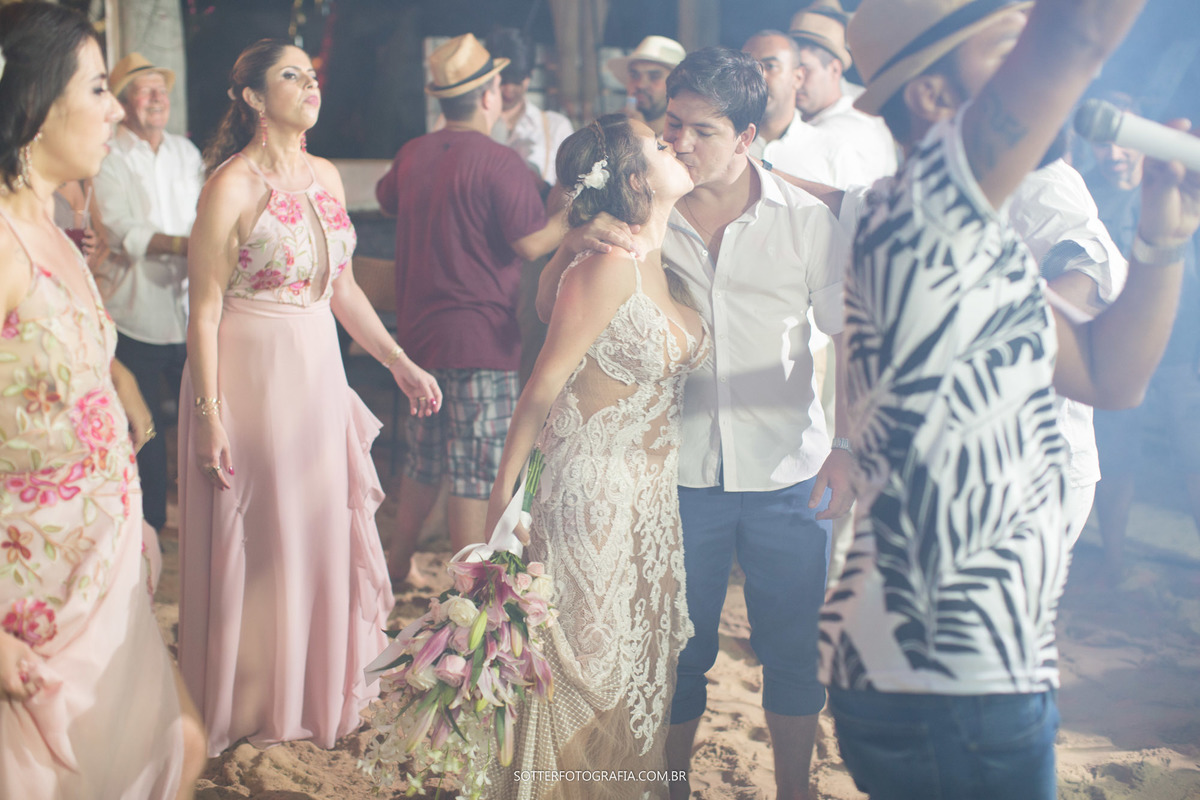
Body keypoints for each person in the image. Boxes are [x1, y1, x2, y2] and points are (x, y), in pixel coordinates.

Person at [818, 2, 1198, 798]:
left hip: (973, 666)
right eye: (1007, 48)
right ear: (930, 98)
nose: (1047, 73)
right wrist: (1066, 41)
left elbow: (1107, 375)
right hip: (946, 677)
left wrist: (1166, 231)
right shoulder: (918, 215)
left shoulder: (974, 244)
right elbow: (1081, 32)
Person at [538, 48, 854, 800]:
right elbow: (556, 310)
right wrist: (573, 247)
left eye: (703, 130)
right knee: (677, 652)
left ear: (748, 138)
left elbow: (851, 339)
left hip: (790, 471)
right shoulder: (638, 217)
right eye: (671, 124)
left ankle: (794, 790)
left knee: (794, 650)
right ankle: (671, 789)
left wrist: (844, 447)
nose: (679, 142)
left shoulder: (806, 221)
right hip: (673, 475)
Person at [178, 38, 441, 757]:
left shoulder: (323, 174)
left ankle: (316, 690)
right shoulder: (228, 186)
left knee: (321, 523)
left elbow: (343, 288)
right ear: (255, 99)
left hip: (320, 368)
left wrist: (397, 360)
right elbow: (202, 311)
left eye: (313, 75)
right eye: (291, 76)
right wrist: (209, 417)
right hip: (249, 371)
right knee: (266, 535)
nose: (310, 86)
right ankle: (256, 699)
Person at [0, 4, 206, 797]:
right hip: (32, 595)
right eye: (97, 88)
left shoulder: (56, 224)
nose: (116, 107)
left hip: (99, 567)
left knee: (180, 749)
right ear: (36, 104)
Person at [485, 113, 705, 799]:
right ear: (636, 178)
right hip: (593, 496)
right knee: (591, 673)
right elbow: (543, 387)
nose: (677, 147)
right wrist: (503, 497)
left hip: (651, 500)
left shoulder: (661, 258)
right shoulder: (606, 267)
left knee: (641, 671)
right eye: (662, 144)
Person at [376, 34, 567, 585]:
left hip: (417, 334)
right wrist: (574, 216)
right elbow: (532, 244)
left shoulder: (413, 152)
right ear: (490, 96)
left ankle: (396, 561)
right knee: (476, 466)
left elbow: (388, 199)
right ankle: (469, 589)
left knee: (424, 457)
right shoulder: (500, 162)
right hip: (481, 335)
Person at [1082, 93, 1200, 582]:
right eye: (1103, 145)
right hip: (1114, 351)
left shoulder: (1179, 179)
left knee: (1195, 457)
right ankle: (1114, 565)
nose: (1115, 155)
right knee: (1115, 459)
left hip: (1181, 353)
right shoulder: (1083, 193)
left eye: (1124, 143)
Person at [91, 52, 205, 535]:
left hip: (187, 310)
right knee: (145, 431)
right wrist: (196, 245)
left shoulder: (185, 152)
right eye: (145, 89)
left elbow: (205, 214)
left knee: (201, 420)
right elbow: (126, 232)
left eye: (162, 88)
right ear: (122, 101)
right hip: (133, 311)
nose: (158, 97)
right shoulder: (108, 156)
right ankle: (149, 526)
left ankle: (202, 524)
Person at [789, 2, 898, 183]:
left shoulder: (851, 128)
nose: (797, 80)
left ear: (834, 69)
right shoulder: (811, 115)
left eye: (806, 70)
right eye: (792, 71)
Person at [743, 30, 866, 187]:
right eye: (748, 68)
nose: (757, 77)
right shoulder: (726, 145)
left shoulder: (834, 152)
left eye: (770, 66)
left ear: (798, 77)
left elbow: (856, 209)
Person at [486, 27, 574, 193]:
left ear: (529, 76)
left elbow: (570, 194)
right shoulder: (473, 125)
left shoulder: (556, 127)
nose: (508, 89)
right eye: (503, 80)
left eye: (517, 80)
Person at [607, 35, 687, 137]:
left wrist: (642, 135)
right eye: (634, 75)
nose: (641, 85)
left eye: (654, 76)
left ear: (676, 84)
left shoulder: (682, 140)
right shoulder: (612, 130)